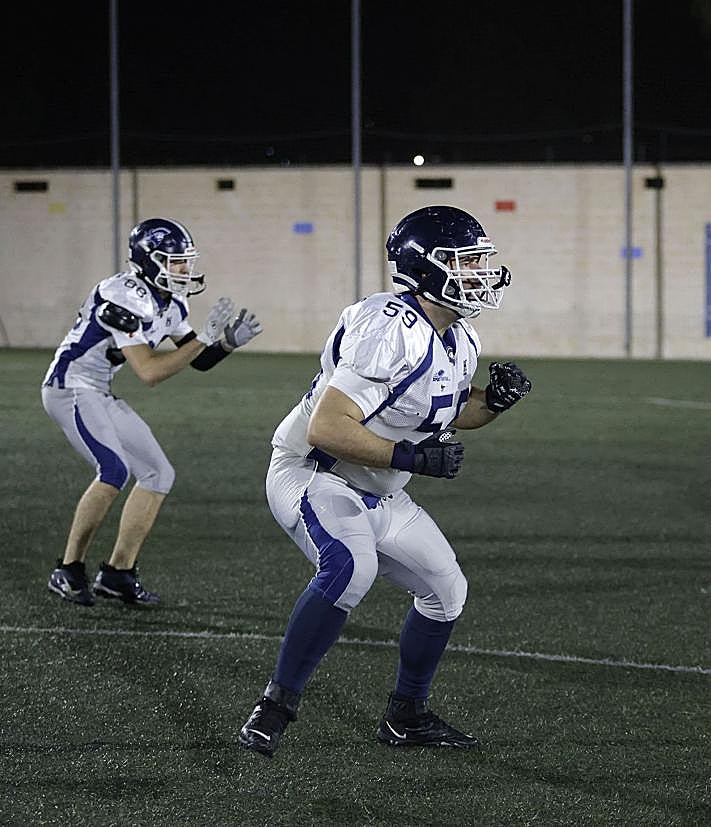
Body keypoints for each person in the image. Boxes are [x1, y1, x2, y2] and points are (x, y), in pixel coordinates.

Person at [239, 205, 532, 757]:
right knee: (352, 567)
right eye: (465, 262)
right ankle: (275, 706)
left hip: (379, 488)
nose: (479, 273)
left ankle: (406, 716)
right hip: (315, 472)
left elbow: (446, 411)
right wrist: (413, 458)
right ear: (424, 268)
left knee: (446, 591)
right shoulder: (389, 327)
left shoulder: (459, 337)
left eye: (479, 261)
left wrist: (492, 402)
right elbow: (328, 428)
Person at [43, 217, 262, 607]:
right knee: (113, 471)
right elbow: (149, 372)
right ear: (148, 260)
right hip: (69, 386)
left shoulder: (171, 302)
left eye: (186, 261)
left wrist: (225, 344)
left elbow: (197, 359)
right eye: (175, 261)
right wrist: (206, 338)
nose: (184, 269)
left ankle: (118, 574)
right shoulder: (122, 295)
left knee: (158, 474)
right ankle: (68, 569)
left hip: (98, 389)